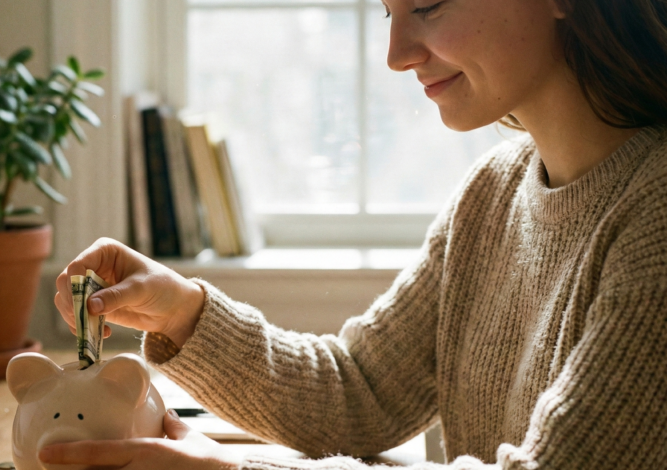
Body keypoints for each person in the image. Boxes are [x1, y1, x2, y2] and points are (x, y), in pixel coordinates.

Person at [42, 0, 667, 468]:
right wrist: (181, 312)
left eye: (427, 5)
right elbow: (360, 394)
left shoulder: (654, 219)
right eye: (389, 10)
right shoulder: (493, 193)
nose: (396, 54)